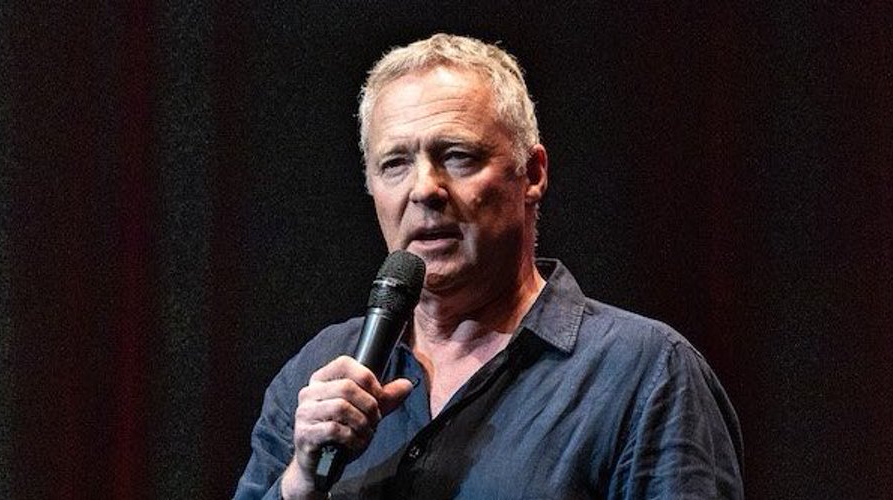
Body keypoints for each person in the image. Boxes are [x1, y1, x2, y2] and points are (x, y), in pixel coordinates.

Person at [234, 33, 743, 499]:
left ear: (532, 174)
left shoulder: (644, 373)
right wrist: (299, 484)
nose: (424, 189)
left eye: (457, 156)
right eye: (395, 164)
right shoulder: (317, 374)